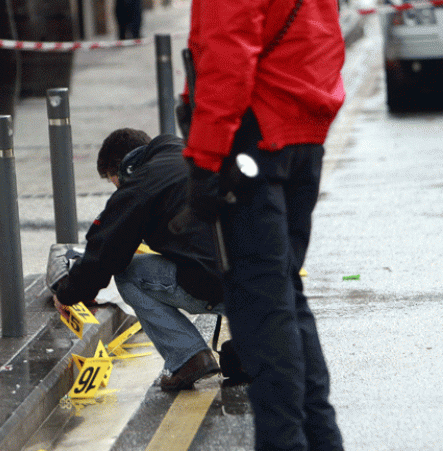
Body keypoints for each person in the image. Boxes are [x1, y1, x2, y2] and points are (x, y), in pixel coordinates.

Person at [175, 0, 346, 449]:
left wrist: (205, 157)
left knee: (261, 313)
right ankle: (321, 439)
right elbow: (321, 36)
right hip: (298, 133)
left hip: (254, 135)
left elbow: (227, 49)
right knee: (285, 295)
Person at [52, 128, 225, 392]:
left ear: (127, 170)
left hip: (217, 286)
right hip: (264, 277)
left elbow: (105, 254)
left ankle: (189, 357)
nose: (121, 190)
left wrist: (68, 293)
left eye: (117, 183)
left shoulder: (141, 184)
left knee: (129, 274)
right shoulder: (187, 152)